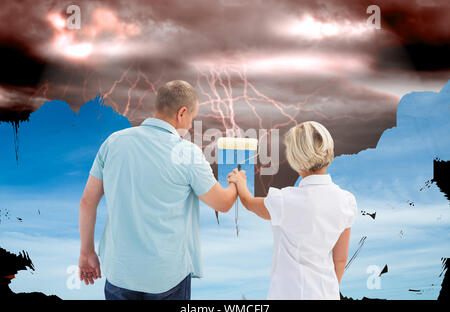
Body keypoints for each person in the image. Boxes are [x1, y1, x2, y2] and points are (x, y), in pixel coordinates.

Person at [78, 80, 237, 300]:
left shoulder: (113, 142)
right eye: (192, 117)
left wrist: (86, 252)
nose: (190, 125)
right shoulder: (187, 153)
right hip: (167, 276)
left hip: (119, 273)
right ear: (182, 113)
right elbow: (223, 203)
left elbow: (87, 201)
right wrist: (236, 183)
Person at [227, 121, 357, 300]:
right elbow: (340, 259)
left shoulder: (284, 201)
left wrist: (240, 182)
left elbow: (249, 202)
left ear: (296, 160)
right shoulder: (347, 201)